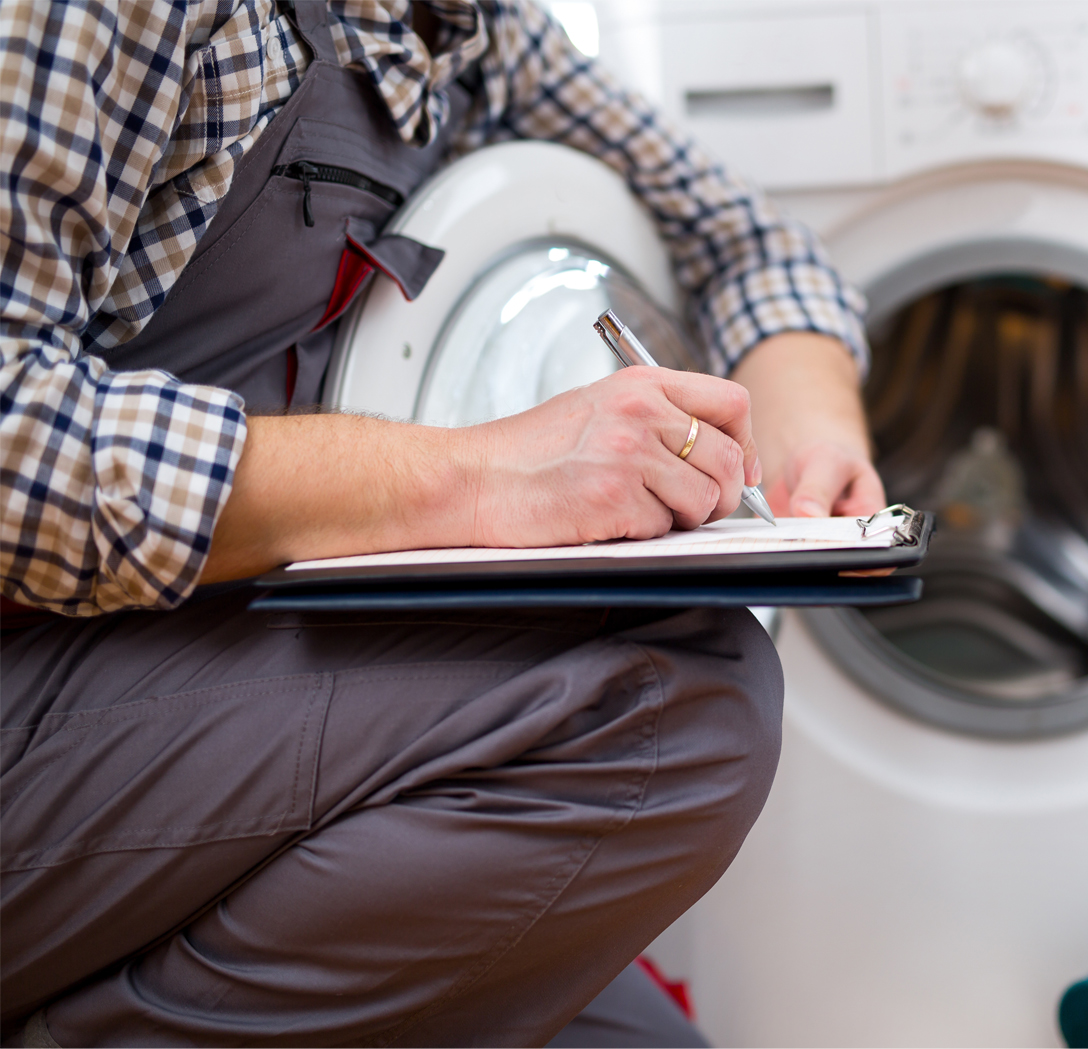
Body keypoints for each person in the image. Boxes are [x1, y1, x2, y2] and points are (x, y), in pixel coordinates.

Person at [0, 2, 884, 1045]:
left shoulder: (466, 27)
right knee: (661, 700)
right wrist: (480, 473)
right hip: (44, 674)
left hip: (195, 659)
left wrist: (806, 428)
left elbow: (742, 238)